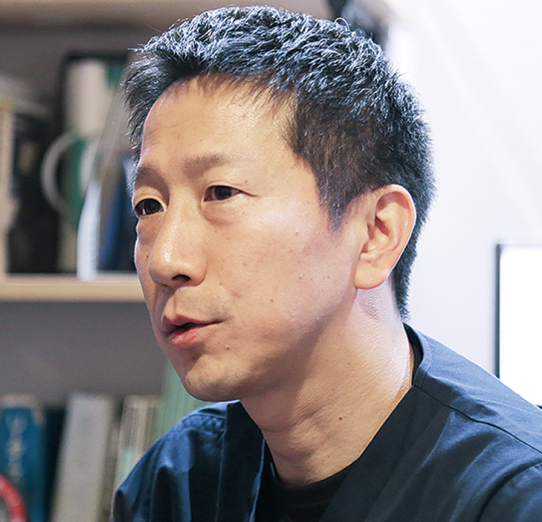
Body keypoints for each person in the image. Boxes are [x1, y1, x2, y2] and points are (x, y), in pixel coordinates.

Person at [112, 6, 542, 521]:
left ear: (376, 233)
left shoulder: (514, 494)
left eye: (221, 192)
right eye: (149, 206)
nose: (165, 260)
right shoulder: (179, 480)